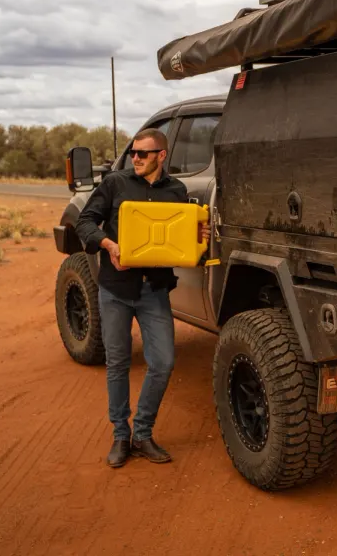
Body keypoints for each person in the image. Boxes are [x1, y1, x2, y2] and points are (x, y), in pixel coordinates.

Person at [74, 127, 209, 468]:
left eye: (142, 153)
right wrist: (108, 244)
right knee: (118, 363)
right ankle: (121, 436)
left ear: (161, 156)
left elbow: (182, 236)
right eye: (133, 152)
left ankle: (143, 433)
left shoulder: (177, 191)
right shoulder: (114, 183)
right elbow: (85, 222)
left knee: (163, 362)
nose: (134, 158)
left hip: (154, 290)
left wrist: (199, 234)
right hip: (116, 290)